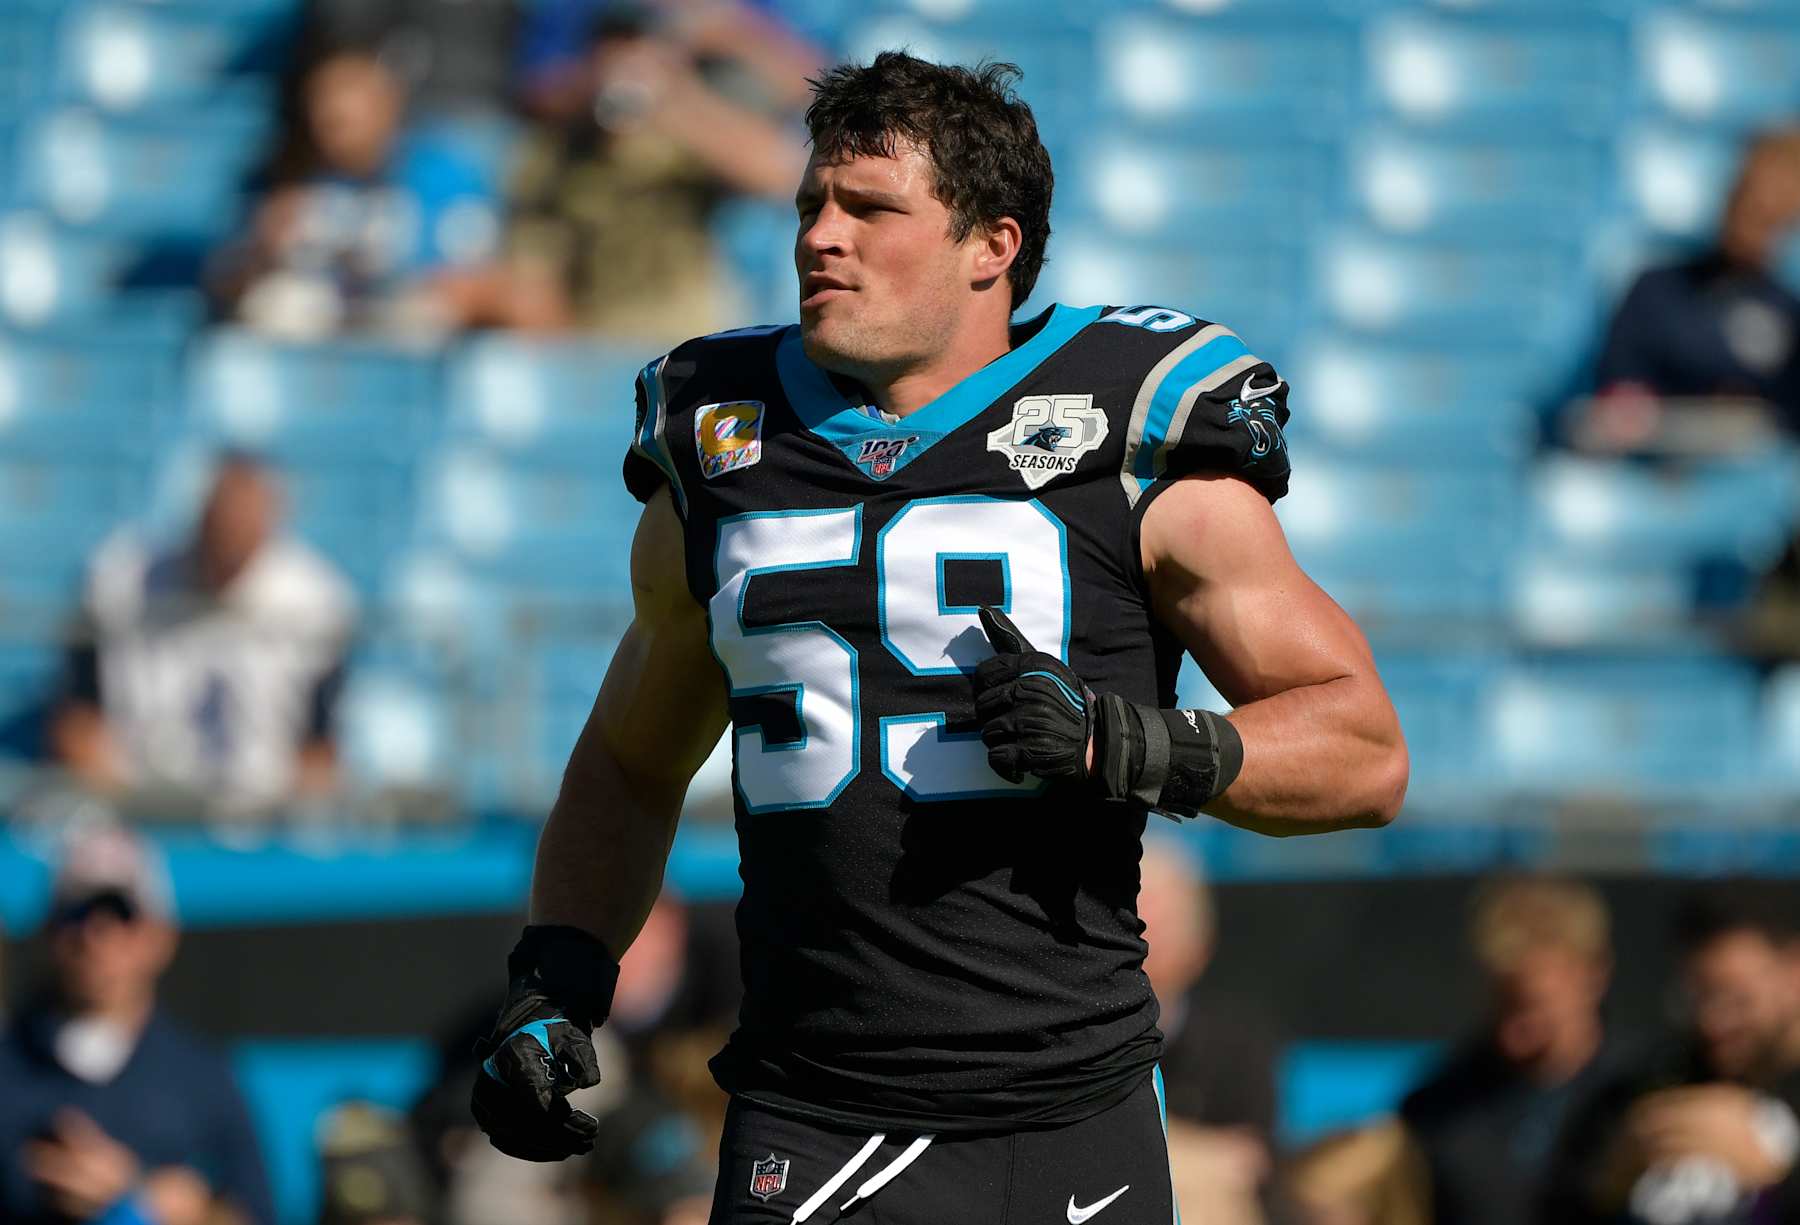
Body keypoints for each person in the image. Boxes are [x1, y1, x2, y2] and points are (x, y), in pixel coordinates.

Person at [469, 52, 1408, 1225]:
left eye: (870, 208)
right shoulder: (726, 443)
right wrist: (557, 976)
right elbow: (630, 759)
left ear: (991, 246)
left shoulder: (1130, 435)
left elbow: (1364, 752)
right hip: (809, 1109)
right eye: (812, 203)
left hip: (1066, 1111)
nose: (822, 235)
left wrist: (1126, 744)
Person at [50, 454, 357, 816]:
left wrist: (283, 819)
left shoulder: (315, 601)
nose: (232, 534)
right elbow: (79, 720)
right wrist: (121, 804)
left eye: (246, 520)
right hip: (138, 805)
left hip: (261, 814)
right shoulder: (120, 581)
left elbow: (319, 749)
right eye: (222, 519)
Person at [0, 827, 274, 1225]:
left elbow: (255, 1212)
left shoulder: (205, 1078)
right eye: (76, 914)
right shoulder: (8, 1067)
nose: (96, 937)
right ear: (49, 932)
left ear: (161, 937)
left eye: (120, 914)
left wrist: (161, 1206)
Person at [1545, 886, 1800, 1224]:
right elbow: (1557, 1202)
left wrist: (1775, 1175)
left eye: (1737, 999)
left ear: (1794, 972)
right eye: (1697, 998)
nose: (1714, 1021)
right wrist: (1613, 1175)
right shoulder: (1649, 1085)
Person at [1399, 875, 1630, 1225]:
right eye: (1500, 1002)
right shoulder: (1436, 1111)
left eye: (1530, 1005)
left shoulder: (1642, 1097)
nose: (1512, 1027)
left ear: (1593, 974)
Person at [1580, 126, 1800, 445]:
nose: (1753, 219)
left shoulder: (1790, 311)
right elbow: (1617, 392)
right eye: (1747, 197)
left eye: (1772, 213)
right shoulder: (1656, 291)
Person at [1137, 841, 1281, 1225]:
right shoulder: (1072, 1039)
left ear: (1200, 943)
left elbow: (1252, 1162)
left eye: (1163, 922)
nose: (1148, 941)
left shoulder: (1238, 1041)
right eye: (1137, 920)